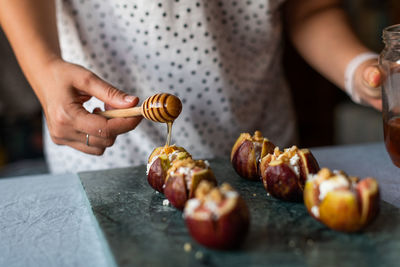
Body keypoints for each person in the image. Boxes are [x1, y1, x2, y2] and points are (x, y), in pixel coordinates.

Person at [0, 0, 382, 173]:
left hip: (261, 152)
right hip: (112, 161)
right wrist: (46, 68)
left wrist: (356, 69)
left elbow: (309, 8)